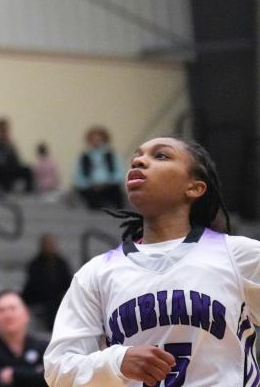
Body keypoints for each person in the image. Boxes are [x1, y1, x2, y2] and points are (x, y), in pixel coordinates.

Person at [44, 137, 257, 386]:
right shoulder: (96, 273)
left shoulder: (236, 255)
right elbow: (58, 369)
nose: (139, 160)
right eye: (137, 156)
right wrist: (118, 361)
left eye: (161, 156)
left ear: (194, 187)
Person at [0, 290, 48, 387]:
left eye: (13, 308)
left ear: (26, 314)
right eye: (1, 310)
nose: (8, 315)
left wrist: (14, 375)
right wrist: (34, 374)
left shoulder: (45, 348)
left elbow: (52, 380)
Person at [21, 235, 72, 331]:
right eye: (47, 244)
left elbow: (67, 282)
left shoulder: (61, 263)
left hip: (57, 298)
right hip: (40, 298)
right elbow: (32, 285)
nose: (49, 247)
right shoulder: (35, 264)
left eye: (51, 244)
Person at [72, 126, 123, 210]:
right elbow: (78, 176)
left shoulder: (112, 155)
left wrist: (106, 183)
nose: (96, 141)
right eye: (93, 139)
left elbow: (119, 174)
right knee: (90, 198)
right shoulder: (84, 157)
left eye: (99, 138)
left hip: (109, 186)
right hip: (90, 188)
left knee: (116, 193)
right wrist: (91, 184)